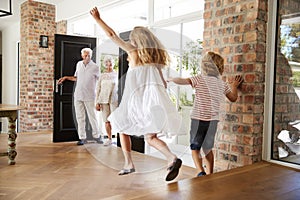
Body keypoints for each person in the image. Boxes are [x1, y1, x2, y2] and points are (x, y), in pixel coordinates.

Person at [90, 7, 183, 181]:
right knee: (150, 136)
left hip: (134, 101)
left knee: (119, 125)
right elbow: (162, 83)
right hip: (153, 102)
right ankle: (172, 158)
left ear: (136, 40)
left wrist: (98, 19)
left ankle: (129, 164)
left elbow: (111, 35)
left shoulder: (133, 53)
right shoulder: (156, 60)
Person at [168, 51, 243, 177]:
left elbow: (182, 81)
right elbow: (233, 98)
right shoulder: (222, 84)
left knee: (195, 148)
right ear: (220, 67)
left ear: (204, 66)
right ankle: (210, 174)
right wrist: (234, 85)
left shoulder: (199, 79)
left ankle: (200, 171)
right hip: (212, 122)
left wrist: (171, 79)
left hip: (198, 120)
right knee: (208, 149)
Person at [58, 47, 102, 145]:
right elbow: (76, 78)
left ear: (91, 56)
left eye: (89, 56)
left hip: (90, 96)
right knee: (80, 117)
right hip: (78, 95)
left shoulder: (95, 67)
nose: (87, 57)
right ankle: (82, 137)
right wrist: (65, 78)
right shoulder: (79, 64)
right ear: (82, 56)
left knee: (92, 116)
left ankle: (97, 136)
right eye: (85, 55)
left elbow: (100, 81)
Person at [95, 55, 118, 146]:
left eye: (111, 64)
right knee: (106, 120)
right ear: (105, 65)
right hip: (103, 100)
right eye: (107, 64)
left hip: (114, 100)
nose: (109, 66)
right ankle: (109, 139)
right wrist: (97, 102)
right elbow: (98, 89)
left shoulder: (116, 75)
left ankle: (119, 139)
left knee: (116, 119)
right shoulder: (102, 76)